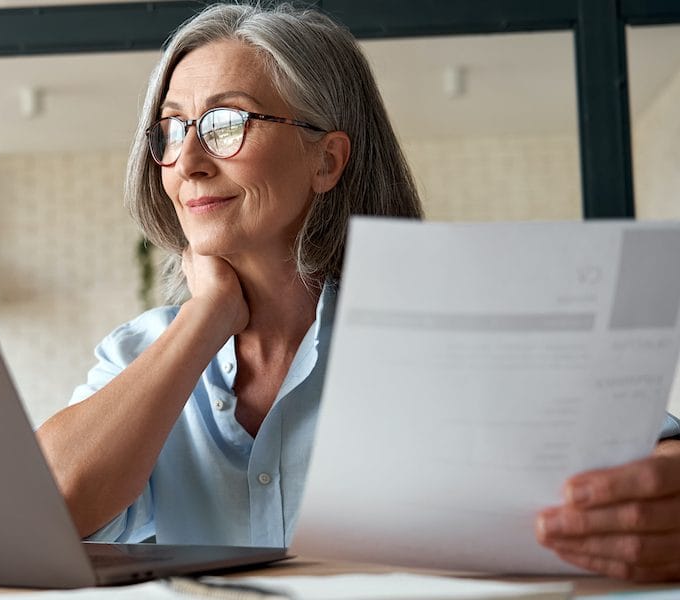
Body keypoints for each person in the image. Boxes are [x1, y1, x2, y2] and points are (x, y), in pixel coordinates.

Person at [36, 1, 680, 583]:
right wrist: (206, 317)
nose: (190, 161)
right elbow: (46, 511)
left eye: (226, 122)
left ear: (327, 160)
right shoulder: (138, 355)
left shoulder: (444, 326)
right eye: (172, 130)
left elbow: (649, 449)